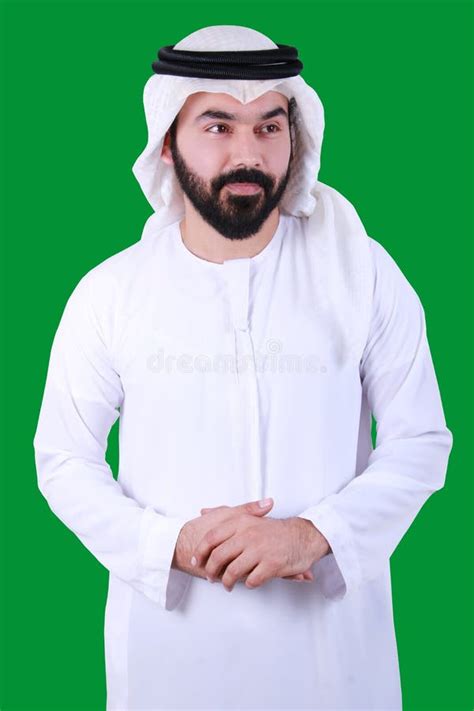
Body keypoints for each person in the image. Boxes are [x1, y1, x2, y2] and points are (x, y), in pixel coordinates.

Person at [33, 24, 453, 711]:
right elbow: (62, 459)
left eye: (268, 127)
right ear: (168, 141)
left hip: (334, 668)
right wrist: (170, 542)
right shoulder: (111, 293)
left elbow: (421, 442)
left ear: (296, 135)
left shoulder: (364, 273)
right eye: (218, 126)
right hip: (168, 665)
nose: (247, 154)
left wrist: (310, 536)